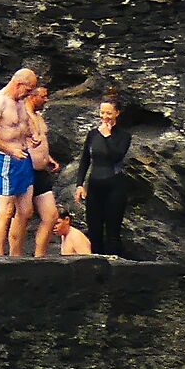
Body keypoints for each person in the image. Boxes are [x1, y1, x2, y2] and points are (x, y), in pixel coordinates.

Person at [0, 68, 39, 256]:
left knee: (26, 210)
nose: (30, 94)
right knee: (6, 211)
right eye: (29, 89)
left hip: (23, 157)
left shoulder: (21, 101)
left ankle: (16, 253)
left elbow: (21, 125)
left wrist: (31, 136)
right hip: (6, 159)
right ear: (18, 84)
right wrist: (10, 149)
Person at [72, 96, 134, 257]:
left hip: (115, 185)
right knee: (94, 231)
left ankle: (115, 266)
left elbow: (117, 156)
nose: (105, 116)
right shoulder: (93, 134)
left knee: (112, 232)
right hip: (95, 185)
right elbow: (85, 159)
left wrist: (107, 136)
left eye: (109, 113)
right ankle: (96, 267)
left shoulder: (123, 135)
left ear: (117, 114)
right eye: (102, 112)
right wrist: (79, 184)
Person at [24, 80, 64, 259]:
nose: (46, 99)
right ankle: (12, 255)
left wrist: (48, 158)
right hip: (26, 169)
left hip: (41, 170)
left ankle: (40, 256)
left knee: (51, 214)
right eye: (43, 96)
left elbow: (40, 141)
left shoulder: (38, 116)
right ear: (32, 96)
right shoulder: (22, 115)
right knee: (23, 214)